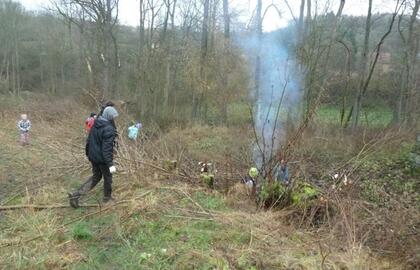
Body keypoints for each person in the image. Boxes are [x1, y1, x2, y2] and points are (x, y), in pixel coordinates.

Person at [68, 106, 119, 208]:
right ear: (109, 117)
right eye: (113, 117)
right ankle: (107, 199)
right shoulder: (108, 129)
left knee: (96, 176)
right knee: (108, 177)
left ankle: (76, 195)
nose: (114, 119)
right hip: (101, 158)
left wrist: (89, 154)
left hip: (93, 156)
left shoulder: (96, 123)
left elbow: (89, 140)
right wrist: (110, 164)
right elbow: (106, 149)